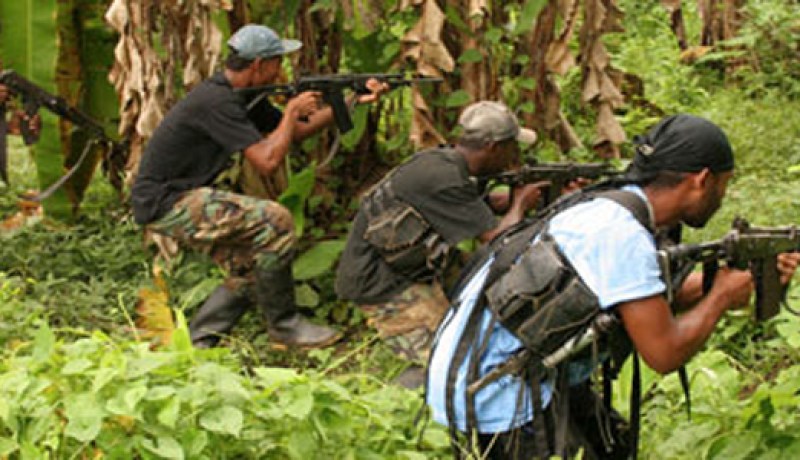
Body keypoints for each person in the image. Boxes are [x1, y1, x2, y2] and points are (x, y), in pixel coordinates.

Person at [425, 114, 800, 458]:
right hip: (496, 393)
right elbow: (664, 353)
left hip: (492, 371)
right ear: (702, 180)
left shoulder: (610, 206)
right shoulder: (621, 235)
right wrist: (720, 296)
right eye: (724, 184)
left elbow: (640, 296)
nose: (722, 196)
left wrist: (737, 283)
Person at [131, 24, 386, 349]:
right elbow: (267, 160)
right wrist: (293, 110)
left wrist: (349, 102)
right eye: (277, 61)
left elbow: (298, 131)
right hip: (166, 201)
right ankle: (285, 327)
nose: (281, 69)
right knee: (275, 220)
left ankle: (197, 344)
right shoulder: (216, 101)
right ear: (258, 65)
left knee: (252, 268)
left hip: (180, 195)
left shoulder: (244, 97)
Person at [335, 101, 545, 388]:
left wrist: (536, 195)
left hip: (412, 264)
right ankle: (399, 404)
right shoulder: (444, 178)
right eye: (511, 147)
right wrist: (520, 204)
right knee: (447, 360)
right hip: (382, 282)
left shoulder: (444, 163)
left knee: (481, 294)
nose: (515, 155)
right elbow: (497, 239)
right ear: (494, 147)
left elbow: (478, 208)